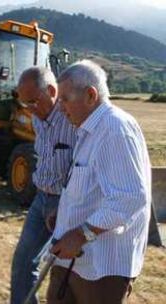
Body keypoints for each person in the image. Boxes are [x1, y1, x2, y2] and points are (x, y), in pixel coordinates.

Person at [47, 60, 151, 304]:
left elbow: (129, 197)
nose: (60, 108)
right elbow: (90, 187)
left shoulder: (114, 129)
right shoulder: (90, 129)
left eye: (65, 99)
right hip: (74, 259)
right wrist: (65, 214)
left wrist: (82, 234)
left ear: (91, 95)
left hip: (101, 267)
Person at [10, 67, 76, 304]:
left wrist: (66, 204)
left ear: (51, 90)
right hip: (41, 198)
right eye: (25, 104)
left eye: (33, 102)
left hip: (66, 203)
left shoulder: (72, 119)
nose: (30, 110)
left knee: (63, 270)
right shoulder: (37, 120)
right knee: (23, 262)